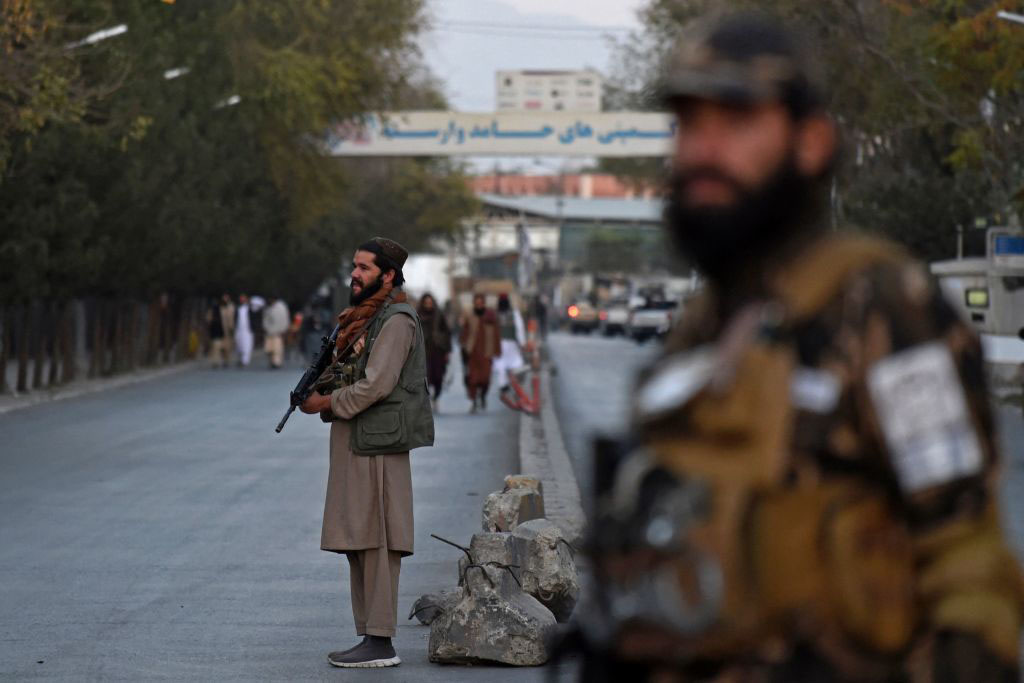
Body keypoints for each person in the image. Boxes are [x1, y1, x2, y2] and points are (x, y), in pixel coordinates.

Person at [579, 12, 1023, 682]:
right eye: (691, 125)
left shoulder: (879, 306)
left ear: (811, 141)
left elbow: (966, 562)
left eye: (736, 122)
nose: (703, 151)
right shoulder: (702, 326)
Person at [298, 237, 433, 669]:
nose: (354, 275)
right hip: (358, 440)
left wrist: (325, 403)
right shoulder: (364, 319)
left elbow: (377, 384)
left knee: (377, 540)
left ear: (388, 275)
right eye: (354, 267)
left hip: (377, 444)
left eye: (364, 268)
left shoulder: (395, 321)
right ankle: (369, 636)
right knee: (359, 540)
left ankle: (380, 640)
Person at [458, 293, 499, 413]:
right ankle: (474, 401)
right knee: (473, 379)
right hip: (473, 353)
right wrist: (463, 344)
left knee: (485, 379)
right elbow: (465, 332)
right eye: (477, 302)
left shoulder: (490, 317)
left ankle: (483, 396)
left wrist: (497, 350)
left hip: (487, 353)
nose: (479, 304)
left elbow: (496, 334)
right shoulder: (470, 316)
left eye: (481, 302)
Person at [417, 293, 452, 412]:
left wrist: (447, 350)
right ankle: (428, 398)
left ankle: (436, 397)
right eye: (426, 302)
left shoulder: (439, 315)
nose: (428, 305)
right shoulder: (418, 315)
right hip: (423, 350)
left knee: (438, 377)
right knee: (426, 376)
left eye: (430, 302)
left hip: (438, 350)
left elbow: (447, 332)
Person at [493, 293, 526, 404]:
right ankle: (514, 385)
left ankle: (504, 386)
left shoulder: (495, 315)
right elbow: (519, 329)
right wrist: (522, 343)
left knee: (500, 365)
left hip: (498, 345)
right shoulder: (514, 314)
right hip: (511, 343)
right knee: (516, 363)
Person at [206, 293, 234, 368]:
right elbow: (209, 318)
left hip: (226, 332)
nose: (225, 300)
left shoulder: (230, 307)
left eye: (227, 298)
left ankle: (226, 360)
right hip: (216, 331)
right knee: (216, 347)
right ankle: (215, 362)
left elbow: (231, 320)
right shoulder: (214, 308)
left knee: (226, 348)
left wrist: (231, 328)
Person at [262, 296, 289, 369]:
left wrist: (283, 329)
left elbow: (285, 319)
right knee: (269, 349)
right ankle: (272, 361)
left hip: (278, 332)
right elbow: (265, 320)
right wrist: (266, 328)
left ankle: (276, 363)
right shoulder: (268, 308)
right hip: (269, 332)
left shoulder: (281, 307)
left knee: (277, 349)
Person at [234, 293, 254, 367]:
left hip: (248, 330)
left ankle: (245, 361)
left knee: (247, 345)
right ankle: (241, 358)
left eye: (244, 299)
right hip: (239, 329)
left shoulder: (250, 308)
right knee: (239, 345)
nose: (242, 300)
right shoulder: (237, 308)